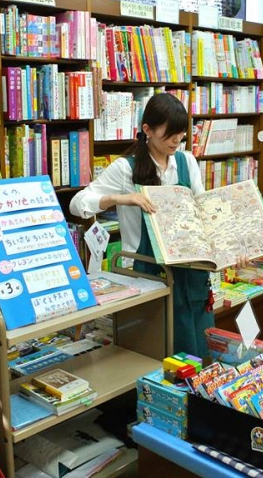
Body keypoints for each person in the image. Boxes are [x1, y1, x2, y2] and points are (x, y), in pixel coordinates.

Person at [69, 93, 213, 358]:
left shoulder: (187, 162)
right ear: (147, 129)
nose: (176, 141)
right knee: (153, 354)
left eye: (180, 134)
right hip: (146, 274)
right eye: (169, 134)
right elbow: (77, 204)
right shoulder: (126, 168)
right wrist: (120, 199)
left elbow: (202, 210)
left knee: (196, 354)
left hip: (189, 273)